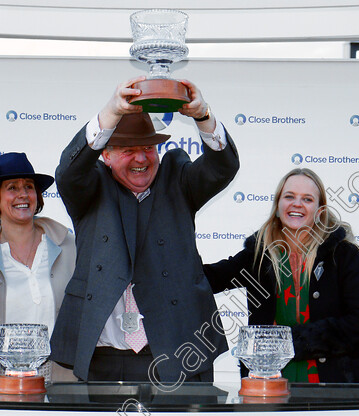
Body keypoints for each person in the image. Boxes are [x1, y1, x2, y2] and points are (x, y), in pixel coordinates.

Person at [51, 76, 240, 384]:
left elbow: (223, 167)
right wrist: (111, 112)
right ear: (106, 155)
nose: (141, 158)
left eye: (148, 148)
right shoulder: (90, 187)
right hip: (104, 357)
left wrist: (203, 115)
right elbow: (69, 171)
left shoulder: (177, 179)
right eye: (128, 150)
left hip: (180, 353)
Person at [204, 168, 359, 383]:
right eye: (289, 197)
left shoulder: (342, 254)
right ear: (278, 207)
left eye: (307, 199)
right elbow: (210, 278)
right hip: (270, 386)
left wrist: (294, 342)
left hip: (336, 384)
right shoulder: (259, 256)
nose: (297, 204)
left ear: (319, 211)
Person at [0, 152, 77, 383]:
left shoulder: (69, 246)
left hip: (62, 375)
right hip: (1, 379)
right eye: (12, 188)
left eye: (29, 187)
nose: (23, 195)